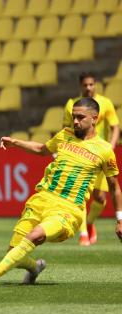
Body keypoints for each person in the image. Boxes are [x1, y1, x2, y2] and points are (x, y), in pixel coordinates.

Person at [0, 97, 122, 288]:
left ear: (94, 118)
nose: (76, 121)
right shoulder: (65, 135)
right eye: (74, 117)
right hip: (42, 199)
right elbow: (41, 149)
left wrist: (120, 219)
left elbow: (114, 187)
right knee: (13, 252)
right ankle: (34, 268)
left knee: (35, 235)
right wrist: (15, 142)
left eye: (81, 117)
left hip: (68, 209)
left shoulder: (105, 150)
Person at [63, 72, 120, 246]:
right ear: (81, 86)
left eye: (91, 84)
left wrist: (111, 145)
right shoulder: (72, 104)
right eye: (85, 85)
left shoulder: (105, 103)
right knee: (80, 195)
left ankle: (89, 222)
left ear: (95, 85)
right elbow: (65, 128)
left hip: (99, 154)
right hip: (80, 155)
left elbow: (115, 127)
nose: (88, 88)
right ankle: (84, 234)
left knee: (101, 198)